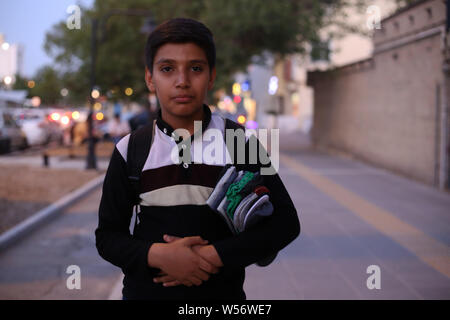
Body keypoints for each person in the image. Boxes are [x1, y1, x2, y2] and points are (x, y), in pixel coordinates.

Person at [95, 18, 300, 300]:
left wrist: (211, 256)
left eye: (195, 68)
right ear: (150, 78)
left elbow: (286, 223)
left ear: (211, 76)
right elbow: (107, 238)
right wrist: (159, 255)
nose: (182, 81)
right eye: (167, 69)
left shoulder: (239, 143)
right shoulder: (131, 149)